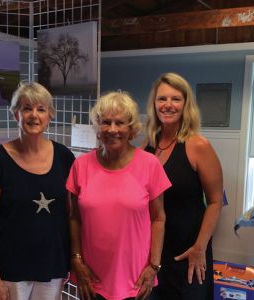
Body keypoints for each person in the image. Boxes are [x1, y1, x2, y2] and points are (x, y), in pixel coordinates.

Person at [66, 91, 171, 300]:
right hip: (91, 279)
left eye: (120, 123)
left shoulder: (150, 164)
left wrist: (154, 266)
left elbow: (159, 218)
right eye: (106, 122)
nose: (112, 129)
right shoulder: (81, 165)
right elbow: (74, 218)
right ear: (97, 128)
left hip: (135, 280)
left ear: (131, 129)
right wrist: (76, 260)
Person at [0, 82, 75, 300]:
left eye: (41, 109)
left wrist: (74, 258)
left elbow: (70, 214)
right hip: (10, 269)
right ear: (15, 114)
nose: (34, 115)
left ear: (50, 115)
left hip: (52, 263)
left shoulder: (63, 157)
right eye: (26, 108)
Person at [143, 72, 223, 300]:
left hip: (190, 252)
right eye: (162, 99)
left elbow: (216, 202)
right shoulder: (147, 146)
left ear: (186, 104)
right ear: (154, 104)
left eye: (175, 99)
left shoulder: (198, 146)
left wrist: (200, 247)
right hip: (154, 252)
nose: (168, 105)